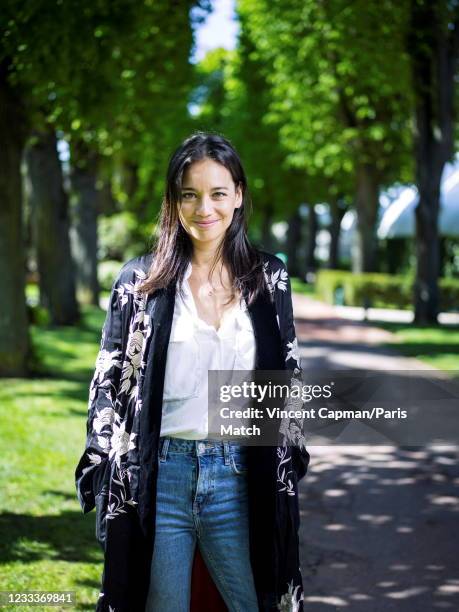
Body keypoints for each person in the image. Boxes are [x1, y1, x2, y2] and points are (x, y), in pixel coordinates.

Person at [75, 132, 309, 612]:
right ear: (174, 201)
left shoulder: (270, 278)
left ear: (238, 195)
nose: (205, 208)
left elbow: (286, 376)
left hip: (241, 473)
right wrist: (105, 461)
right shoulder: (138, 283)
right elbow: (108, 378)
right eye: (190, 194)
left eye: (218, 193)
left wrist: (286, 450)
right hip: (162, 476)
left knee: (255, 602)